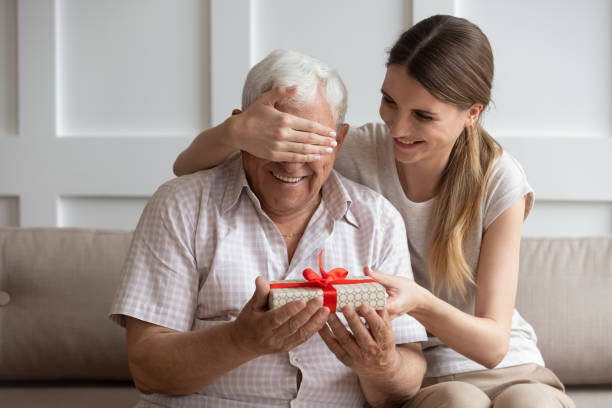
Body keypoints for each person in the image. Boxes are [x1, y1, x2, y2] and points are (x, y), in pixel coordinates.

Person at [172, 15, 575, 408]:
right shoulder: (357, 149)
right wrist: (236, 131)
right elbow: (188, 170)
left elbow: (493, 345)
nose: (398, 129)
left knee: (531, 403)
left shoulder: (500, 180)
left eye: (423, 115)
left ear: (472, 113)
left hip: (511, 366)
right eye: (389, 102)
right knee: (459, 401)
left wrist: (418, 301)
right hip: (422, 374)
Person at [109, 49, 428, 408]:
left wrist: (383, 366)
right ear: (241, 130)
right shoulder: (181, 206)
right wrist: (240, 340)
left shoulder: (378, 220)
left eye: (310, 143)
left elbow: (405, 376)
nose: (292, 164)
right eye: (277, 140)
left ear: (338, 142)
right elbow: (148, 370)